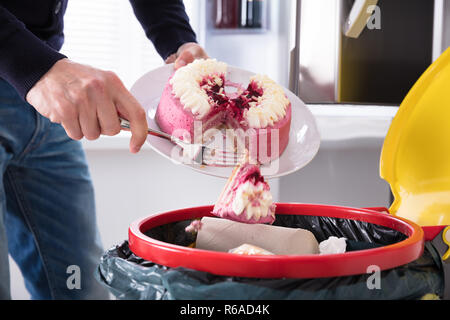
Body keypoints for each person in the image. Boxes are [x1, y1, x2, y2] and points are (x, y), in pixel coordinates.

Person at [0, 0, 208, 300]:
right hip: (40, 72)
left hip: (48, 98)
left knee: (82, 286)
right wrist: (35, 66)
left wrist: (178, 40)